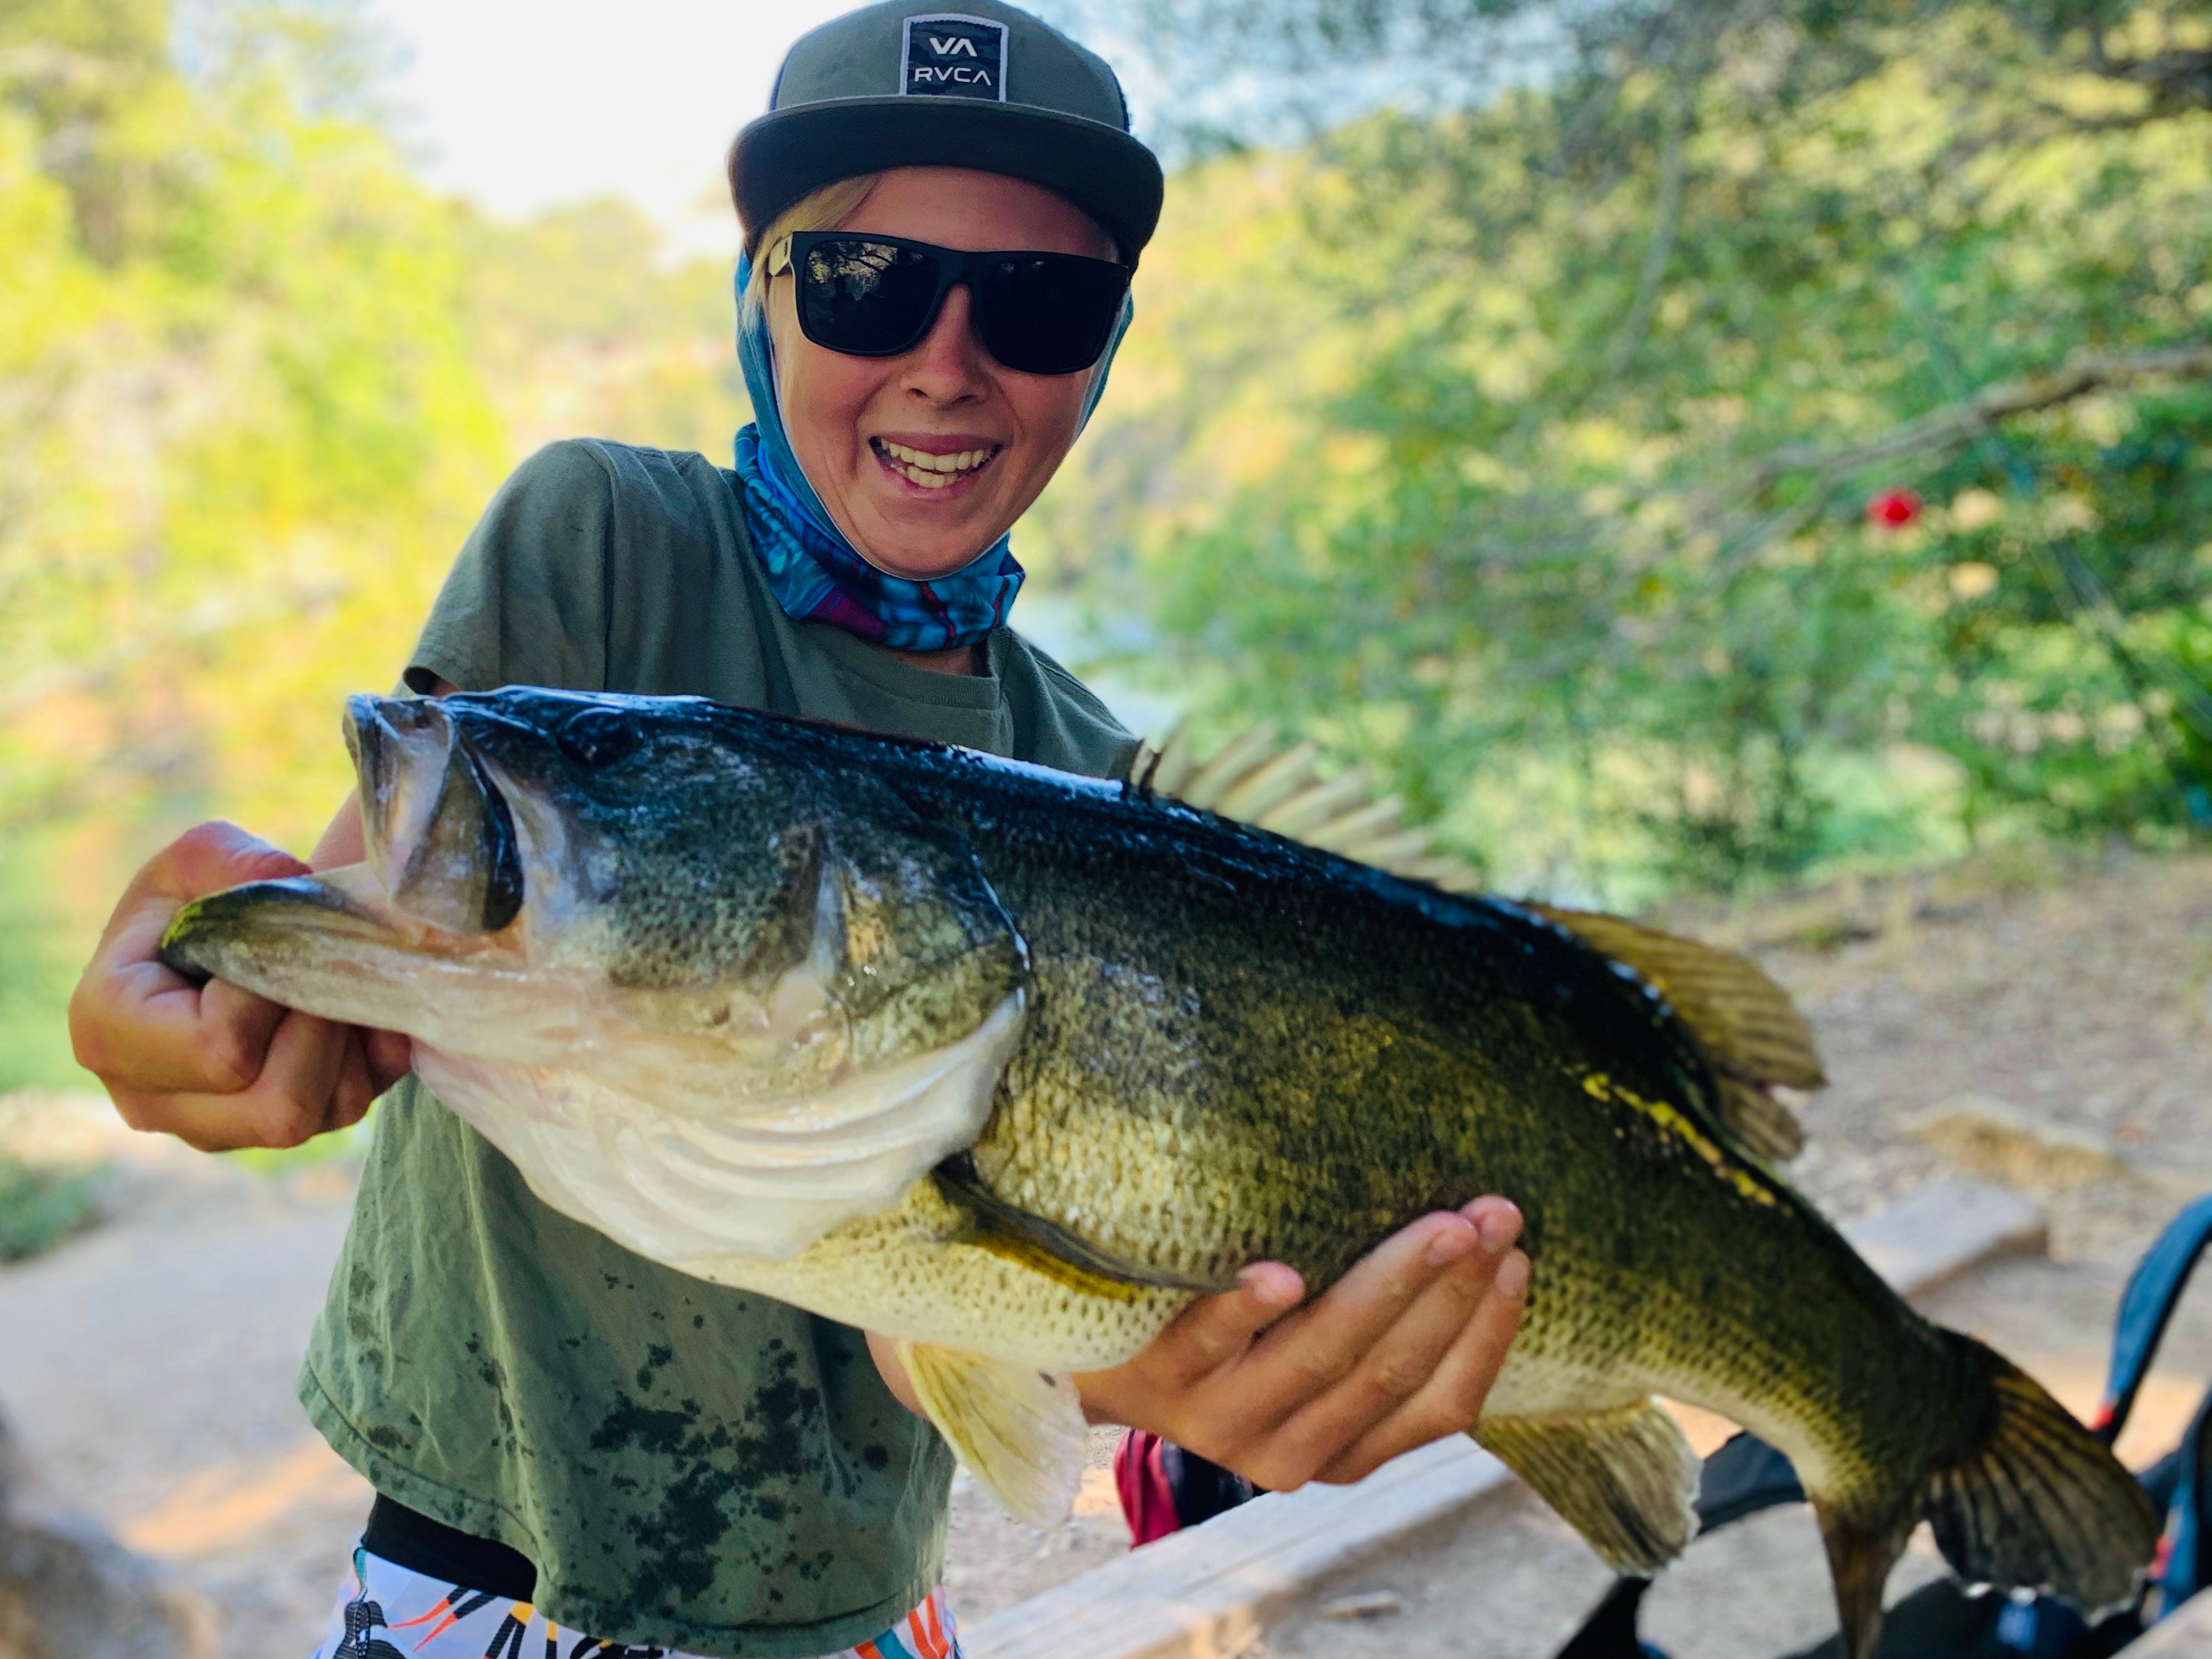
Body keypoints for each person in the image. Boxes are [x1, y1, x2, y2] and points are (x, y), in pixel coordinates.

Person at [66, 5, 1533, 1654]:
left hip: (866, 1614)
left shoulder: (1106, 793)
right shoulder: (606, 541)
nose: (947, 360)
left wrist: (1148, 1367)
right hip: (475, 1590)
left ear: (1104, 351)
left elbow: (930, 1296)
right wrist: (197, 1019)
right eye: (869, 283)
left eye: (1041, 305)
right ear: (764, 294)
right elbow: (387, 941)